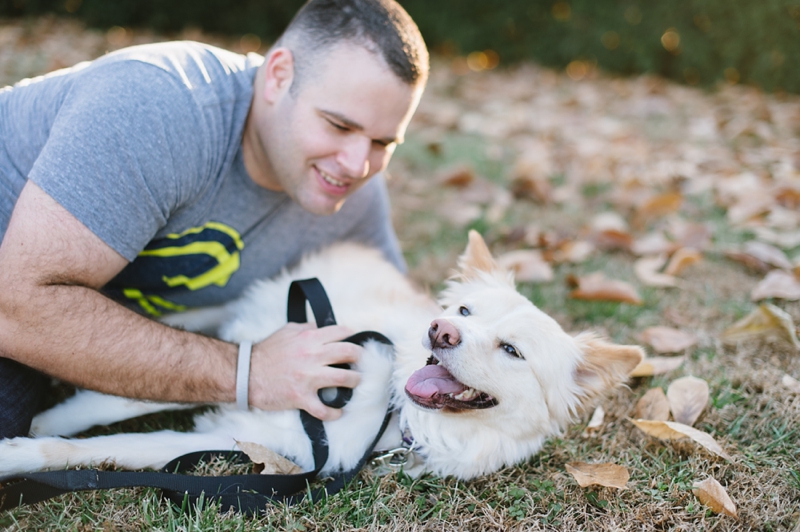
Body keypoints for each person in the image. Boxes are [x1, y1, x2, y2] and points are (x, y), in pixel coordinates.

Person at [0, 0, 428, 438]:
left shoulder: (351, 194)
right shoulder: (158, 105)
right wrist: (249, 372)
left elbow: (403, 321)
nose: (358, 165)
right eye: (339, 126)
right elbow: (17, 308)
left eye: (382, 142)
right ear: (279, 75)